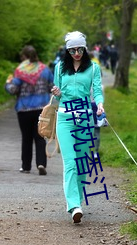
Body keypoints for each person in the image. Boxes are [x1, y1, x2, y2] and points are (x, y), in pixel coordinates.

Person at [51, 31, 104, 223]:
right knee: (71, 163)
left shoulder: (93, 68)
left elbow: (97, 90)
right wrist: (56, 92)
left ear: (85, 48)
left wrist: (99, 104)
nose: (76, 53)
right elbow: (57, 97)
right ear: (67, 50)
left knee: (82, 164)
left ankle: (78, 200)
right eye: (72, 50)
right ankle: (74, 205)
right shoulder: (59, 68)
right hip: (64, 118)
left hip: (85, 119)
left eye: (79, 49)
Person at [5, 45, 54, 175]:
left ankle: (26, 166)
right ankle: (41, 163)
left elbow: (13, 90)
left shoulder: (20, 71)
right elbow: (52, 87)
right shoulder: (45, 70)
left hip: (24, 109)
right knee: (40, 137)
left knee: (26, 138)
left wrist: (8, 83)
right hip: (41, 109)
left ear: (24, 57)